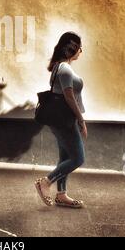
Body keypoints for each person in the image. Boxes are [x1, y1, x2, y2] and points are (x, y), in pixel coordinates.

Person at [35, 32, 88, 209]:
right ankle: (46, 182)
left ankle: (61, 194)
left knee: (65, 156)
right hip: (65, 121)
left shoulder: (60, 67)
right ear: (72, 48)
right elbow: (69, 97)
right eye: (79, 46)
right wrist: (81, 120)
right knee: (78, 158)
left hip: (60, 120)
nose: (81, 50)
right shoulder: (64, 69)